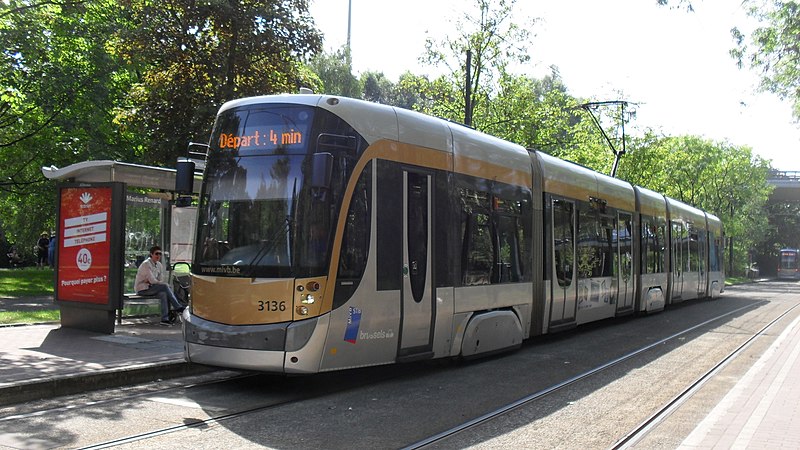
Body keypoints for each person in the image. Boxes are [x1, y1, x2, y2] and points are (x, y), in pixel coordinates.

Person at [134, 246, 185, 325]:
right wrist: (153, 282)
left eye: (160, 254)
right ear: (151, 254)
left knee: (163, 293)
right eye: (156, 254)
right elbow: (153, 280)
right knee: (165, 286)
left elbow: (159, 280)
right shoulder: (146, 264)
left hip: (152, 287)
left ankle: (165, 319)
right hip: (143, 289)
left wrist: (153, 281)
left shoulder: (159, 265)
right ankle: (177, 307)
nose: (158, 256)